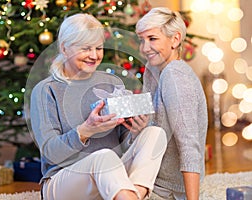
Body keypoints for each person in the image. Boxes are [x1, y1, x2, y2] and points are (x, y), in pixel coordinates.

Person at [29, 13, 167, 200]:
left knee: (155, 134)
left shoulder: (109, 82)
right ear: (65, 48)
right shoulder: (46, 90)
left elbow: (122, 142)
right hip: (62, 181)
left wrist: (135, 131)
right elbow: (51, 152)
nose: (94, 56)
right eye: (86, 49)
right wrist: (86, 130)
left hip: (110, 176)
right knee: (104, 157)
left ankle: (131, 195)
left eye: (99, 48)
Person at [135, 7, 208, 200]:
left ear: (175, 40)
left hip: (168, 188)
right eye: (141, 40)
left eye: (152, 39)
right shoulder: (153, 69)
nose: (144, 48)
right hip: (151, 174)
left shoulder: (175, 74)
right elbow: (153, 128)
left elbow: (189, 144)